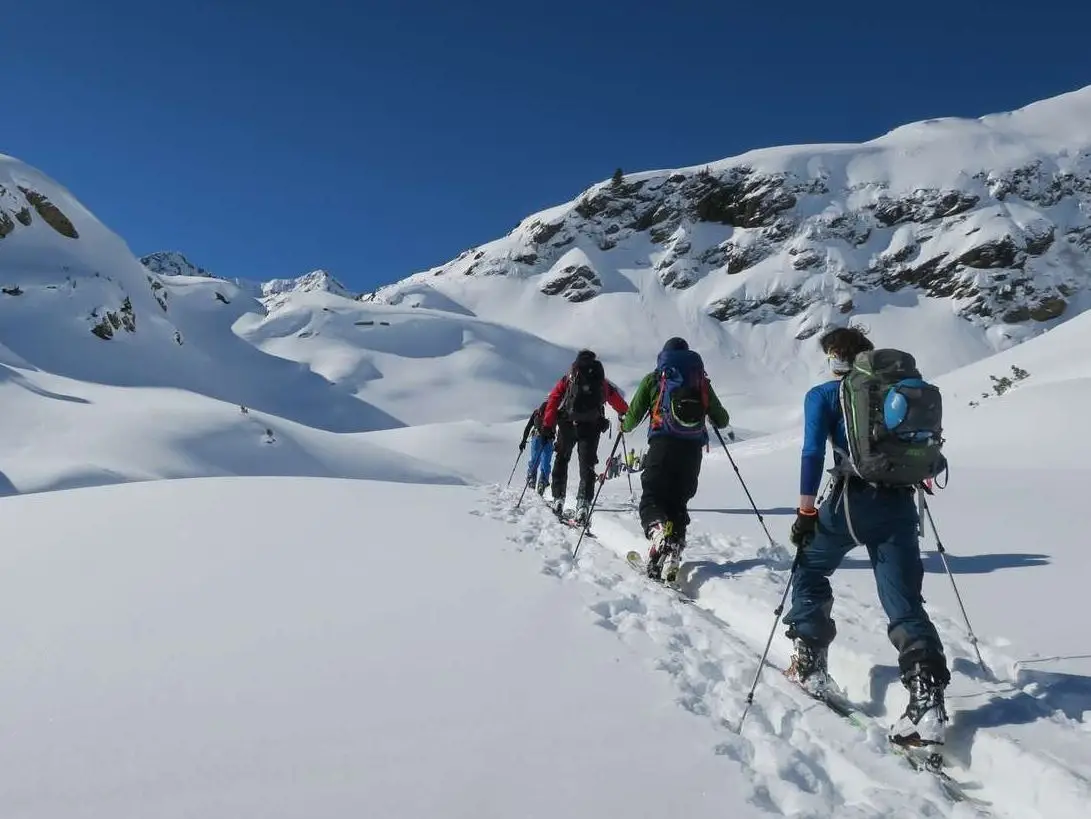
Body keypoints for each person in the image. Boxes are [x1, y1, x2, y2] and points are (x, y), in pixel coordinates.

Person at [783, 326, 950, 747]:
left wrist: (806, 511)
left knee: (810, 567)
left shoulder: (824, 395)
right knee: (904, 602)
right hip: (899, 504)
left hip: (849, 503)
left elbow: (811, 452)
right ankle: (927, 702)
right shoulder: (894, 392)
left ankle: (810, 661)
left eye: (830, 354)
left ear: (836, 357)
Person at [620, 337, 730, 582]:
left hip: (663, 445)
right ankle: (673, 552)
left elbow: (633, 416)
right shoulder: (700, 380)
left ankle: (658, 532)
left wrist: (623, 426)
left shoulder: (655, 378)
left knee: (652, 496)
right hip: (692, 450)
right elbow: (722, 419)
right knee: (678, 502)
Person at [541, 349, 628, 522]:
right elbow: (615, 398)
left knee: (562, 459)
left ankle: (558, 498)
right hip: (591, 427)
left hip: (567, 424)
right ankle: (583, 504)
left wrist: (547, 425)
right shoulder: (600, 379)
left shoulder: (570, 377)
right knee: (587, 465)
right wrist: (624, 412)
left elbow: (554, 398)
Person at [518, 401, 553, 496]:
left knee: (534, 460)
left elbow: (528, 427)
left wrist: (524, 441)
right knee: (545, 462)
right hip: (548, 440)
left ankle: (531, 480)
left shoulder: (537, 413)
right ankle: (542, 482)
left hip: (536, 437)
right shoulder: (554, 412)